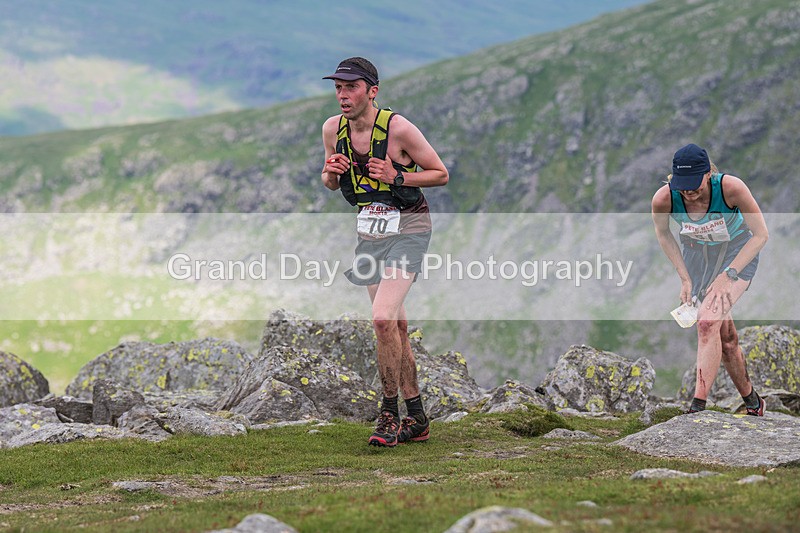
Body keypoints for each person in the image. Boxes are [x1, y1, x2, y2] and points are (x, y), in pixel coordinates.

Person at [320, 57, 449, 446]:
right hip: (370, 230)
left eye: (352, 87)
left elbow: (440, 173)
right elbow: (328, 182)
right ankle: (419, 419)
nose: (343, 95)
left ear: (372, 91)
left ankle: (389, 415)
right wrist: (331, 171)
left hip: (409, 226)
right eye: (338, 88)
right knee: (396, 327)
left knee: (380, 320)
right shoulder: (332, 129)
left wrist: (397, 176)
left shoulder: (399, 129)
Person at [651, 143, 769, 415]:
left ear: (708, 174)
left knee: (706, 322)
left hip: (737, 255)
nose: (689, 193)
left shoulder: (731, 188)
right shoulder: (664, 199)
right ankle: (753, 402)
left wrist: (729, 274)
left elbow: (761, 235)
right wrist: (684, 278)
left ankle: (697, 408)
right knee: (725, 337)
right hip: (697, 258)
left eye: (695, 185)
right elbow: (664, 234)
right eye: (683, 186)